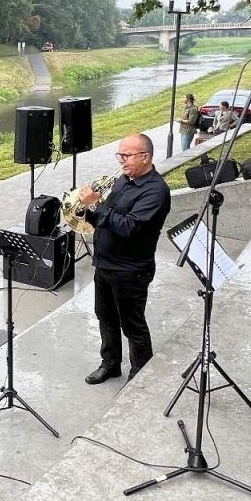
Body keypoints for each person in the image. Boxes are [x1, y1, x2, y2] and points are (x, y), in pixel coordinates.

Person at [78, 132, 173, 385]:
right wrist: (86, 209)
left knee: (132, 325)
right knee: (105, 316)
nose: (121, 160)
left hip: (131, 269)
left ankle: (140, 374)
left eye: (127, 155)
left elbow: (129, 227)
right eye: (119, 155)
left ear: (145, 157)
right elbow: (105, 218)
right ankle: (110, 364)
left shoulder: (156, 191)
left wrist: (96, 205)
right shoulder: (123, 180)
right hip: (106, 264)